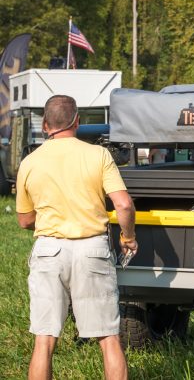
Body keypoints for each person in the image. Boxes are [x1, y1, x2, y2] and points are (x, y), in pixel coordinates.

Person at [15, 95, 137, 380]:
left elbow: (24, 220)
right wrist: (128, 237)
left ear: (45, 125)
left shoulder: (30, 162)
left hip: (48, 252)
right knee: (109, 338)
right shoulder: (98, 155)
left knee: (44, 340)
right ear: (77, 122)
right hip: (92, 250)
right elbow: (124, 205)